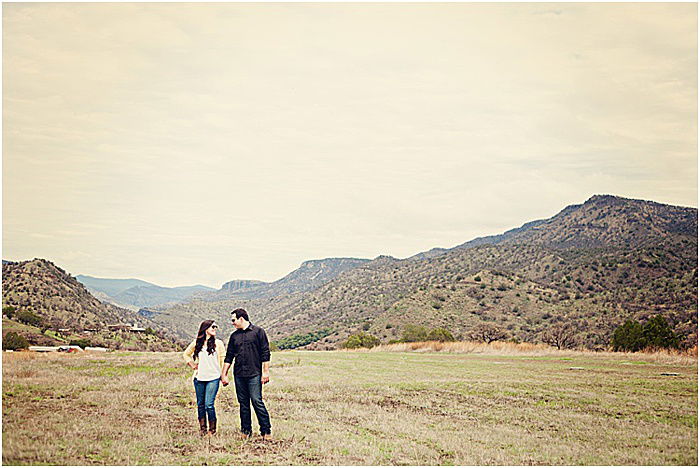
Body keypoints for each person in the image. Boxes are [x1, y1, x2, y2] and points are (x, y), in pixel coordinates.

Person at [221, 308, 272, 439]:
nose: (232, 323)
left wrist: (265, 372)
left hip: (254, 373)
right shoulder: (234, 336)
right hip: (239, 374)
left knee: (256, 401)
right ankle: (246, 431)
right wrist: (224, 374)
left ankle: (266, 431)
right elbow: (229, 356)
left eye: (234, 320)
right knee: (243, 403)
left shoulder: (259, 332)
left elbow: (265, 353)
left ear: (241, 318)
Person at [182, 320, 226, 436]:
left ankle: (212, 430)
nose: (214, 329)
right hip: (199, 378)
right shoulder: (197, 343)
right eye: (212, 326)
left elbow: (222, 360)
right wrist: (192, 364)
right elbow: (186, 354)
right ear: (205, 328)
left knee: (209, 404)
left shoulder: (218, 343)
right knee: (200, 404)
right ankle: (203, 429)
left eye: (215, 327)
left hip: (213, 378)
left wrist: (223, 375)